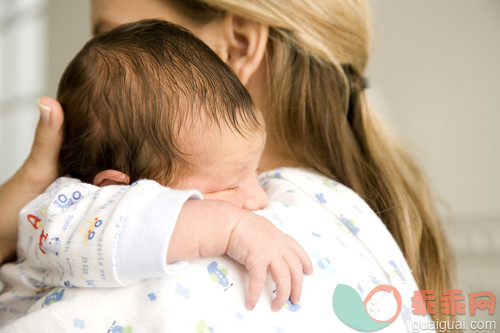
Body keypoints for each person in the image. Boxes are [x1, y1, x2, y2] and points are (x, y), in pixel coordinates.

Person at [0, 0, 453, 331]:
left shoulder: (253, 231)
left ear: (235, 46)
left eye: (130, 32)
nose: (253, 200)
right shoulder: (347, 215)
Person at [0, 19, 314, 327]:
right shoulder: (67, 215)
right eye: (229, 186)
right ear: (116, 190)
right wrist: (234, 228)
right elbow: (141, 222)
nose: (258, 199)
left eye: (254, 172)